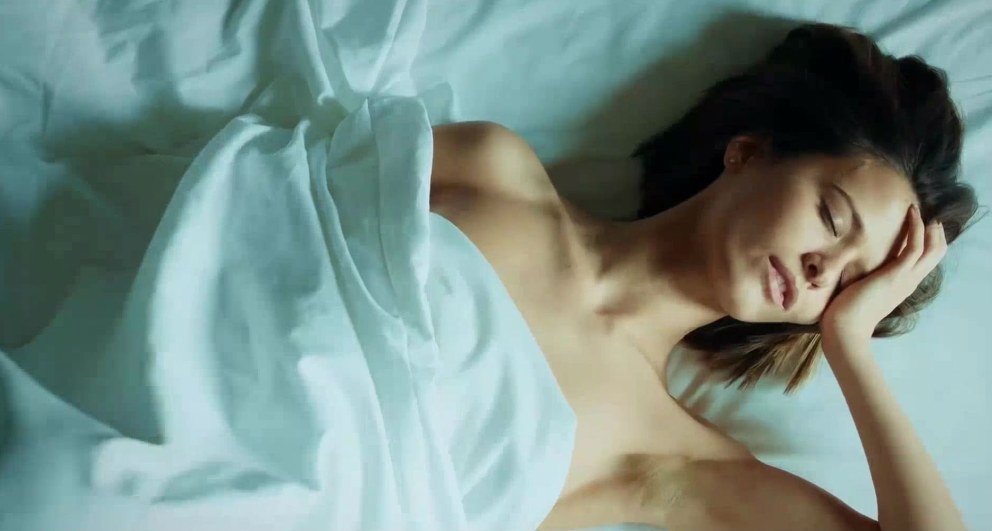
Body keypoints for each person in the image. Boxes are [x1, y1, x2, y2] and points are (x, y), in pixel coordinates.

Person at [428, 23, 978, 531]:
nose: (823, 270)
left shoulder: (664, 456)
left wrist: (849, 343)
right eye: (832, 219)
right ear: (748, 153)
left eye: (849, 284)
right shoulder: (492, 173)